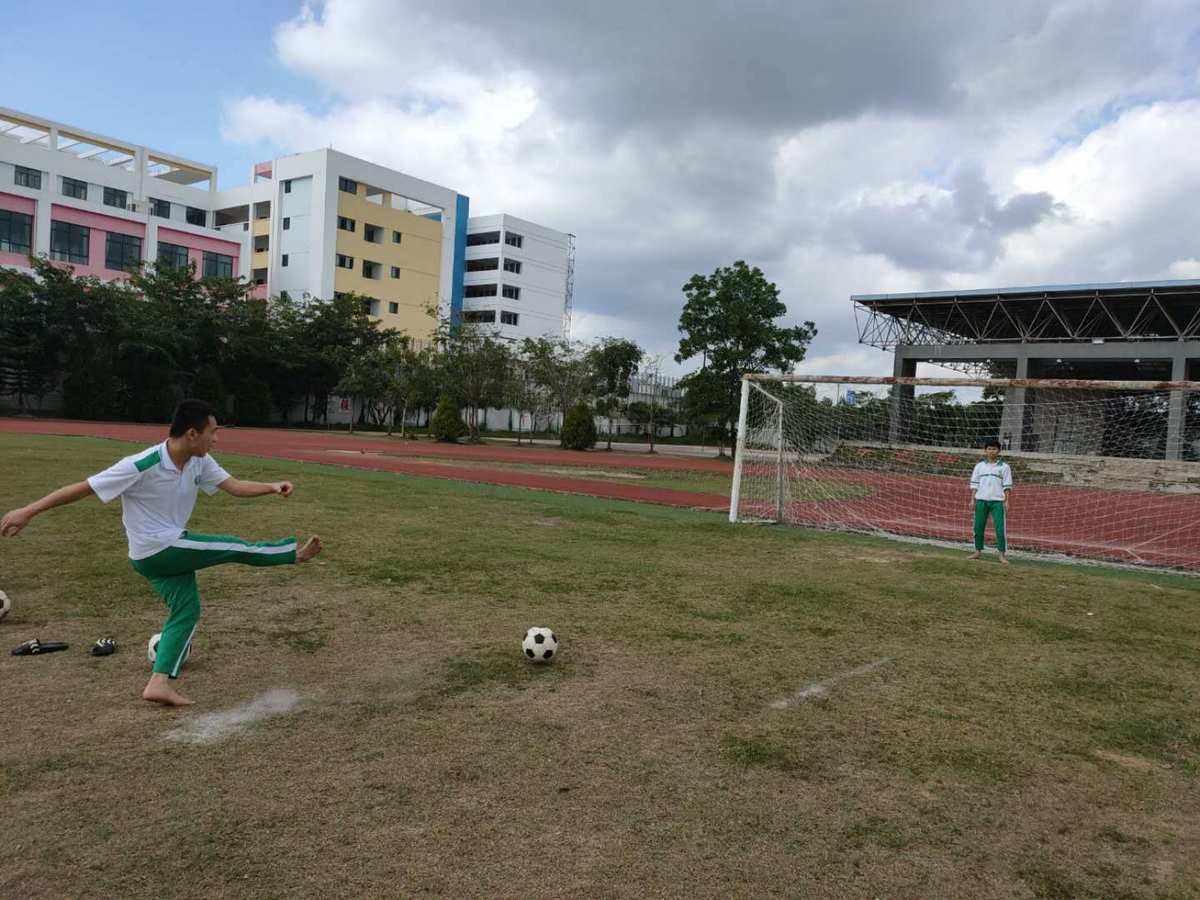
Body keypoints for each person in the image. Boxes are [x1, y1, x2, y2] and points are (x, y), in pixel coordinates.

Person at [0, 399, 322, 706]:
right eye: (213, 432)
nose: (217, 439)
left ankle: (158, 683)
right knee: (232, 546)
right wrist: (28, 511)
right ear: (192, 434)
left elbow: (234, 486)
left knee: (187, 611)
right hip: (157, 549)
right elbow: (82, 488)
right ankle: (293, 555)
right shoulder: (142, 464)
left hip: (161, 552)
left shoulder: (199, 461)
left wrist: (271, 486)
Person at [967, 438, 1012, 565]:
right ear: (985, 450)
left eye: (994, 449)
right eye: (989, 449)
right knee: (978, 527)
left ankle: (1002, 554)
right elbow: (974, 484)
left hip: (997, 502)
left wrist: (1007, 501)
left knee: (999, 528)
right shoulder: (979, 466)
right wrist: (972, 499)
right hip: (981, 500)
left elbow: (1007, 486)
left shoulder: (1004, 467)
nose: (992, 451)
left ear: (999, 451)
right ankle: (977, 551)